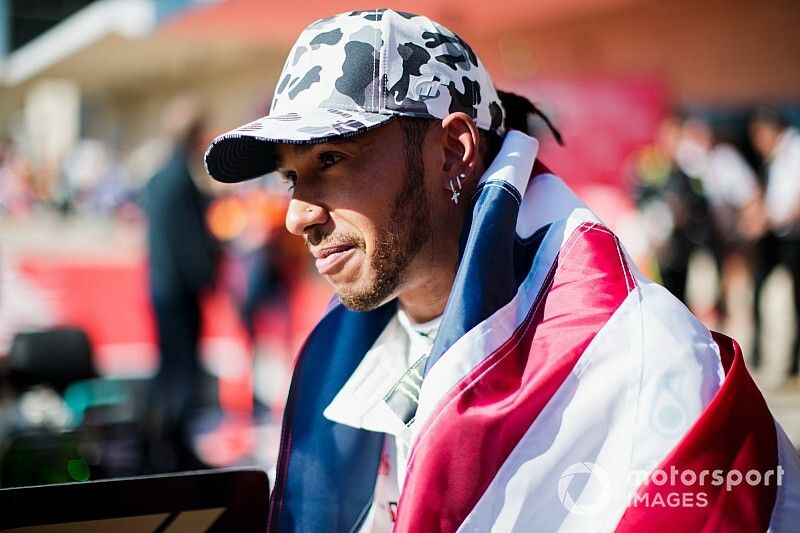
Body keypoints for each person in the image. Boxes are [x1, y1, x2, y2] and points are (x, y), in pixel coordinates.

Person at [205, 9, 800, 532]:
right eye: (290, 176)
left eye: (330, 159)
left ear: (454, 151)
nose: (296, 216)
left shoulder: (640, 356)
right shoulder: (345, 351)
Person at [143, 96, 219, 472]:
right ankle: (174, 447)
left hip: (160, 286)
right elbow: (188, 241)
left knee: (169, 367)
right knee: (183, 370)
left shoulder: (158, 177)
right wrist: (206, 278)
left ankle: (160, 444)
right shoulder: (179, 180)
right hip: (179, 291)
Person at [749, 108, 800, 380]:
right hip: (776, 235)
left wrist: (771, 220)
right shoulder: (774, 157)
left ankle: (794, 361)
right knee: (759, 289)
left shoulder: (795, 149)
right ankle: (758, 353)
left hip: (792, 235)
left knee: (795, 299)